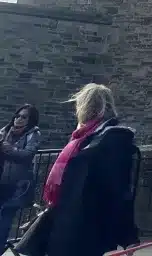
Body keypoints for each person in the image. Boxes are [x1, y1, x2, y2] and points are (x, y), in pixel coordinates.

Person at [16, 84, 139, 256]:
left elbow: (118, 189)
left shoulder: (111, 139)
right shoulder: (83, 139)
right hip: (66, 224)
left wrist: (129, 236)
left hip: (85, 228)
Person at [0, 104, 41, 244]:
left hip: (18, 186)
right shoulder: (5, 131)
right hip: (2, 181)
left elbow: (27, 155)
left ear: (31, 120)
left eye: (24, 117)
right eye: (17, 116)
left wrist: (7, 148)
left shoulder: (33, 134)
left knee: (5, 217)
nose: (18, 119)